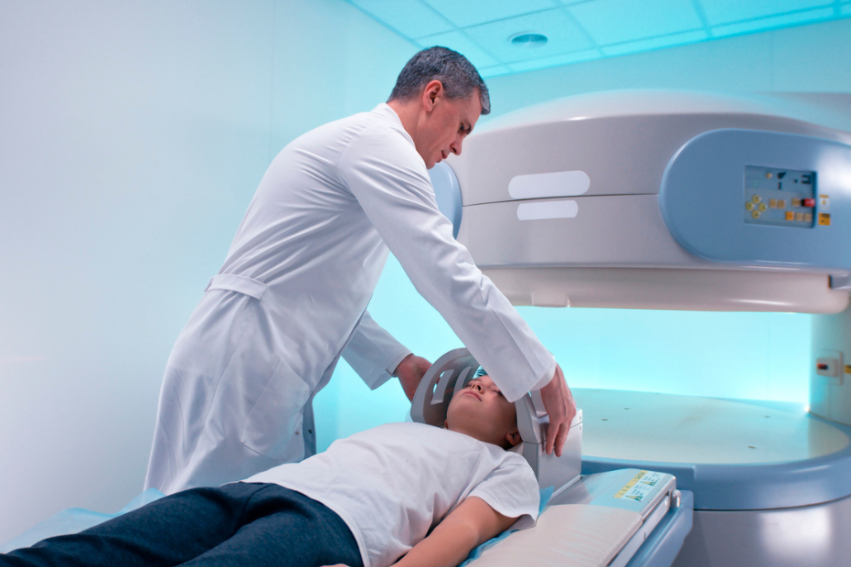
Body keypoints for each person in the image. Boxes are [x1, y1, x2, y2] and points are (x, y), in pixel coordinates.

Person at [144, 46, 577, 495]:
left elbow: (320, 292)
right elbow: (445, 270)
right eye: (461, 127)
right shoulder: (380, 145)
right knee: (192, 524)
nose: (458, 148)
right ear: (432, 95)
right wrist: (542, 371)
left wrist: (399, 362)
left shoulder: (361, 145)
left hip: (246, 353)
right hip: (243, 360)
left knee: (204, 519)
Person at [2, 374, 539, 567]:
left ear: (516, 433)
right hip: (262, 488)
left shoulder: (502, 466)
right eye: (481, 377)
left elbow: (462, 533)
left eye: (496, 392)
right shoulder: (403, 427)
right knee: (99, 548)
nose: (481, 383)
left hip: (333, 525)